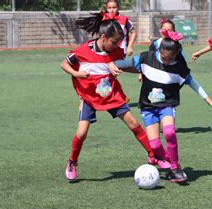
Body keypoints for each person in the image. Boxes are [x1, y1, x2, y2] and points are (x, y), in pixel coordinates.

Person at [61, 14, 169, 182]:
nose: (117, 45)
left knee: (134, 123)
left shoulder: (117, 51)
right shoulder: (82, 51)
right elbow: (64, 64)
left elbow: (124, 67)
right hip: (89, 97)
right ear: (103, 37)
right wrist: (77, 73)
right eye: (114, 42)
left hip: (112, 95)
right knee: (81, 134)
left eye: (119, 42)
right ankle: (72, 162)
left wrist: (142, 71)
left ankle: (154, 155)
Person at [115, 31, 212, 182]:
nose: (167, 61)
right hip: (148, 107)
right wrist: (109, 64)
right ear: (159, 51)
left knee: (169, 132)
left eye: (171, 58)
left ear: (177, 54)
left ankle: (175, 168)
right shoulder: (146, 58)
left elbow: (193, 83)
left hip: (167, 105)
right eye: (164, 58)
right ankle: (172, 165)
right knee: (155, 144)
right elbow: (126, 64)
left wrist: (209, 100)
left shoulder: (179, 67)